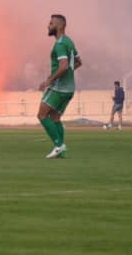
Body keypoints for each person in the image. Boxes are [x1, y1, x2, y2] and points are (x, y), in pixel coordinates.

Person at [38, 14, 82, 158]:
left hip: (59, 88)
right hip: (69, 89)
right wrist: (67, 73)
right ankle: (61, 152)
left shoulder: (60, 44)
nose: (48, 26)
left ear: (60, 26)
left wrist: (49, 80)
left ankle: (58, 145)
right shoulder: (69, 42)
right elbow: (78, 62)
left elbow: (63, 66)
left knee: (42, 115)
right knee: (55, 118)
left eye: (51, 24)